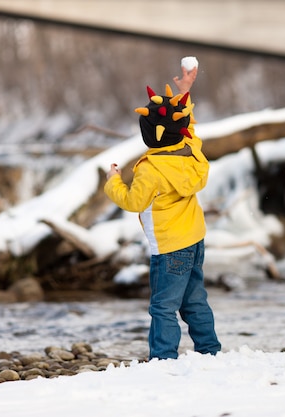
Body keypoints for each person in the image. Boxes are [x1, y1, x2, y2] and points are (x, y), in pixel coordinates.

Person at [104, 64, 221, 360]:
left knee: (163, 306)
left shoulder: (152, 170)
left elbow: (133, 202)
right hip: (195, 240)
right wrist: (184, 93)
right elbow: (188, 126)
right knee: (195, 301)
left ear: (149, 136)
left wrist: (112, 183)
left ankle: (163, 358)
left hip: (169, 247)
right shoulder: (191, 149)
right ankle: (210, 351)